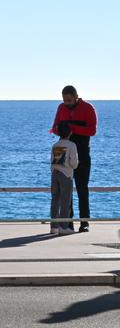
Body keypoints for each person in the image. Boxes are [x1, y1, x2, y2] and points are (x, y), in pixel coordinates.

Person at [50, 86, 98, 232]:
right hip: (63, 151)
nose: (67, 103)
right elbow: (54, 128)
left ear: (76, 96)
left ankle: (84, 222)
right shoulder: (61, 108)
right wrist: (61, 129)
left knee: (82, 188)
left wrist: (72, 128)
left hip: (82, 152)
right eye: (64, 100)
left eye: (69, 100)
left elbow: (92, 130)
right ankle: (67, 223)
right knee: (64, 190)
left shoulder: (88, 108)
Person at [49, 123, 79, 235]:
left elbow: (52, 160)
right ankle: (64, 227)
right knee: (66, 201)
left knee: (55, 200)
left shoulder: (55, 145)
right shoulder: (72, 145)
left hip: (54, 173)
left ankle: (54, 227)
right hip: (66, 174)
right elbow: (73, 163)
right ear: (70, 133)